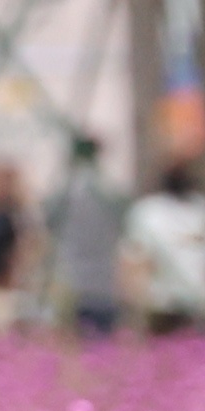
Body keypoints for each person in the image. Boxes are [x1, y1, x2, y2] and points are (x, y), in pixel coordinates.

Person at [42, 135, 128, 341]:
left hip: (70, 282)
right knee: (102, 354)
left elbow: (47, 218)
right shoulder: (108, 190)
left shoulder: (65, 192)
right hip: (105, 283)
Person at [121, 158, 205, 333]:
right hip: (197, 300)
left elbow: (134, 259)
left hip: (163, 302)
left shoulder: (148, 212)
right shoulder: (203, 209)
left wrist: (133, 297)